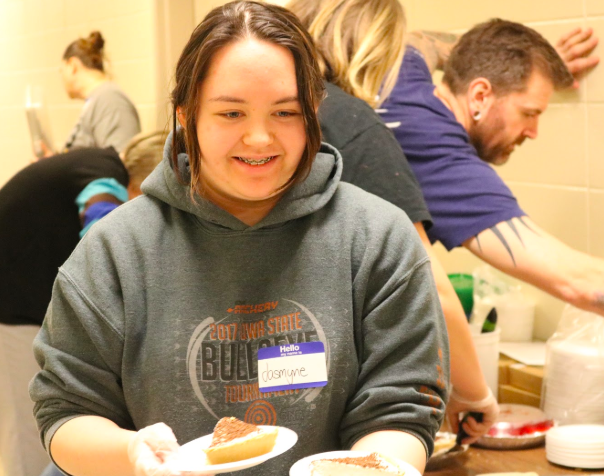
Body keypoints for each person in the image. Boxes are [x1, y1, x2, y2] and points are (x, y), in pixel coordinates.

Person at [30, 2, 448, 475]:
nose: (258, 138)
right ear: (186, 115)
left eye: (284, 112)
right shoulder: (115, 251)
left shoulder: (377, 239)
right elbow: (66, 411)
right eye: (231, 113)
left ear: (313, 110)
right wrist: (130, 453)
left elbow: (401, 408)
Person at [286, 0, 497, 443]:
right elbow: (424, 283)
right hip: (326, 398)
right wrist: (476, 396)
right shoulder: (350, 122)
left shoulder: (258, 119)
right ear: (373, 49)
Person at [0, 131, 165, 476]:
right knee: (26, 427)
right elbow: (100, 228)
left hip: (4, 290)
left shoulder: (94, 161)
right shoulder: (105, 175)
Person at [379, 21, 604, 319]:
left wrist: (529, 61)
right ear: (481, 96)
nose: (533, 132)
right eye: (529, 113)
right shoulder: (439, 155)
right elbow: (580, 283)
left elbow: (421, 39)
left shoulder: (399, 69)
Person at [41, 31, 141, 157]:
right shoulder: (98, 100)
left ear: (72, 66)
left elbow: (121, 163)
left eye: (62, 70)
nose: (61, 77)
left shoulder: (110, 99)